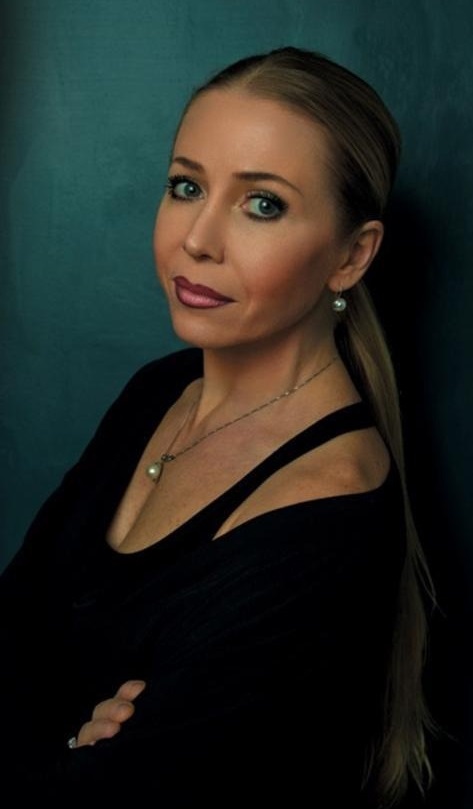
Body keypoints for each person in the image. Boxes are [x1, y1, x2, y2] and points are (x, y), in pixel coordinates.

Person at [0, 46, 435, 807]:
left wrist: (57, 749)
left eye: (262, 204)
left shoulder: (324, 513)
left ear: (352, 255)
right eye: (186, 186)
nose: (197, 239)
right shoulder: (161, 390)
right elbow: (12, 631)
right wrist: (63, 741)